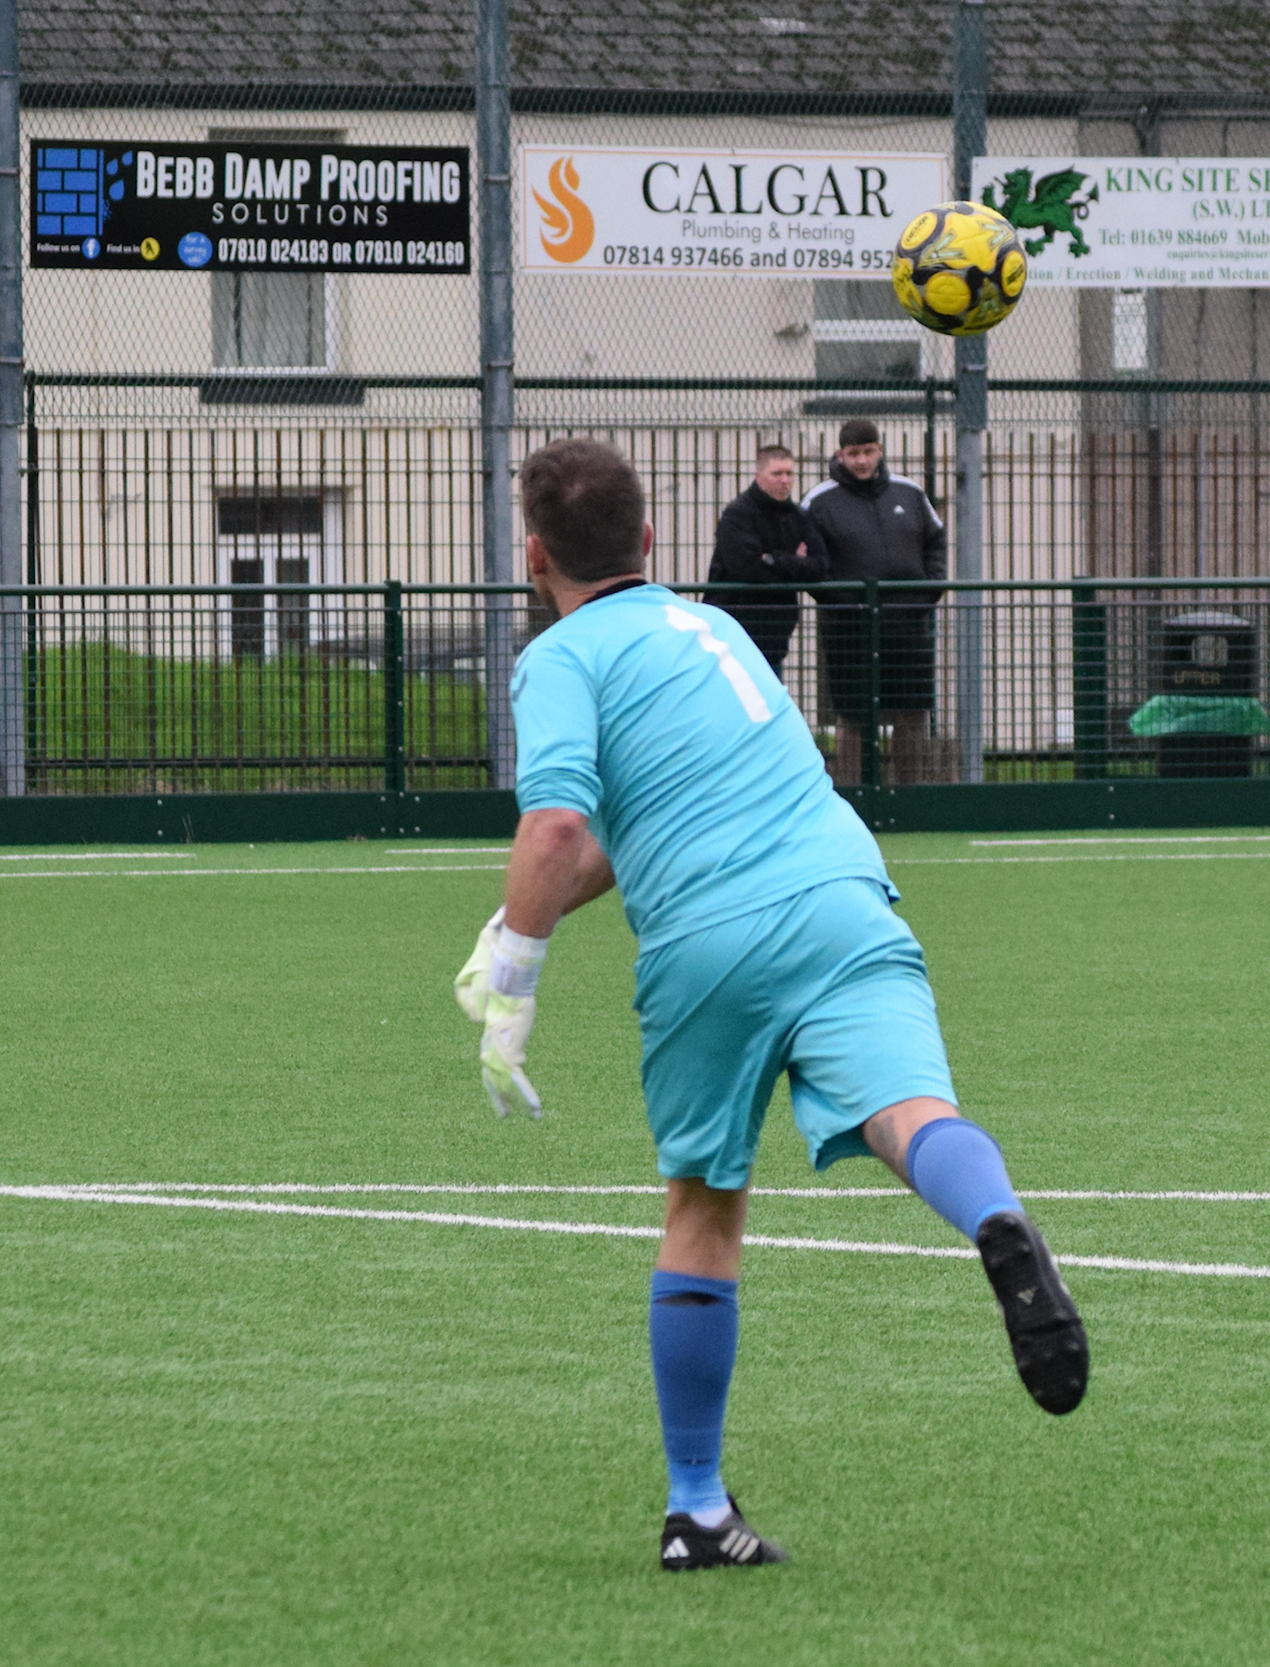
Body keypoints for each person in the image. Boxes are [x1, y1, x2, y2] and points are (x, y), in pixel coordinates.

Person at [453, 437, 1087, 1573]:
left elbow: (557, 826)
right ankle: (996, 1219)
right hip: (842, 890)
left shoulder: (559, 657)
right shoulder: (714, 630)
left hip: (709, 939)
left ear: (534, 556)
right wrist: (515, 919)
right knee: (913, 1113)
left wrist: (515, 978)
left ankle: (696, 1506)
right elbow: (630, 828)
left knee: (703, 1204)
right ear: (650, 539)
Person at [801, 418, 946, 785]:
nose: (862, 460)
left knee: (911, 713)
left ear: (880, 450)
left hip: (907, 626)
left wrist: (925, 595)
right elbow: (809, 564)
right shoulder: (818, 501)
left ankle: (908, 796)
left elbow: (936, 542)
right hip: (848, 629)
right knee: (853, 716)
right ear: (840, 455)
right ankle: (855, 796)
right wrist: (843, 604)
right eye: (854, 453)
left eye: (868, 451)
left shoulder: (910, 493)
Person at [705, 444, 826, 676]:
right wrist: (794, 564)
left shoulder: (798, 516)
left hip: (776, 635)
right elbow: (746, 568)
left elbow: (819, 566)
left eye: (789, 473)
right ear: (758, 475)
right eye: (776, 473)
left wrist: (773, 559)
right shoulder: (737, 514)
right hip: (735, 631)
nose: (784, 480)